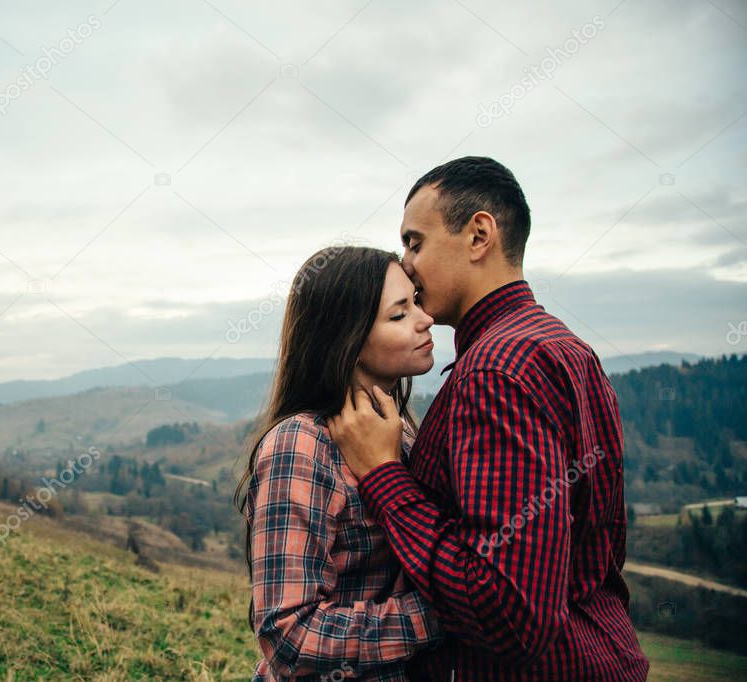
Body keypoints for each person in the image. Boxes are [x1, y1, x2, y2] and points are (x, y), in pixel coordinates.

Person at [327, 157, 650, 681]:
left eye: (415, 243)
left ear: (479, 235)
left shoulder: (497, 371)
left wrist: (386, 479)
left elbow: (510, 614)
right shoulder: (565, 348)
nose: (406, 264)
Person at [237, 245, 443, 681]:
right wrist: (445, 612)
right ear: (347, 336)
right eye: (399, 314)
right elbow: (288, 635)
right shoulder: (301, 445)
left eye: (417, 302)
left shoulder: (401, 429)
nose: (425, 319)